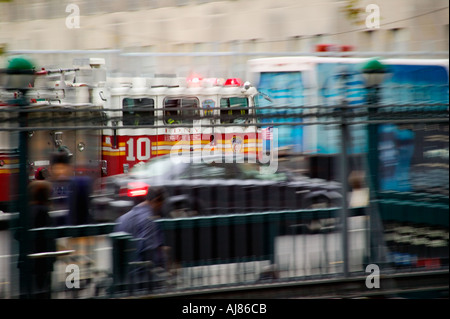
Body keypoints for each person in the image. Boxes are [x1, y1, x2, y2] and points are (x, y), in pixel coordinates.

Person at [113, 186, 170, 290]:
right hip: (138, 279)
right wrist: (163, 256)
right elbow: (149, 253)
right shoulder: (148, 221)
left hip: (120, 275)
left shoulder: (123, 218)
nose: (161, 207)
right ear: (156, 201)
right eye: (162, 204)